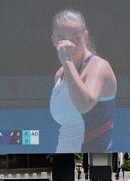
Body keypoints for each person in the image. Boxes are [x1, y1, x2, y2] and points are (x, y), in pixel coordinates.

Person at [49, 9, 117, 153]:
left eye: (75, 38)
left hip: (95, 161)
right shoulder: (60, 74)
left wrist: (66, 59)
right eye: (62, 38)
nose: (69, 45)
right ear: (54, 40)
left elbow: (84, 105)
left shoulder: (99, 67)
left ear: (85, 36)